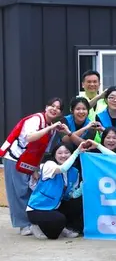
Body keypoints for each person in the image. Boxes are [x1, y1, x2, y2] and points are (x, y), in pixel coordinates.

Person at [1, 98, 64, 236]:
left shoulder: (52, 129)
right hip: (14, 158)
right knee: (18, 192)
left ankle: (31, 222)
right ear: (46, 107)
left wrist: (35, 169)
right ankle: (23, 224)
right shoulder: (36, 120)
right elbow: (30, 137)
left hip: (29, 162)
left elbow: (42, 151)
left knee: (29, 191)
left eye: (58, 108)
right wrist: (49, 128)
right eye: (52, 106)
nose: (54, 109)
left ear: (60, 113)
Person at [26, 142, 85, 240]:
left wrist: (81, 189)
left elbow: (70, 195)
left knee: (77, 203)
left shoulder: (74, 172)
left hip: (55, 207)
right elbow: (62, 169)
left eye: (67, 152)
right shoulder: (49, 165)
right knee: (56, 226)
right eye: (60, 153)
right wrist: (77, 152)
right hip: (38, 208)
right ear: (54, 155)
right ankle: (36, 225)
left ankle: (63, 227)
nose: (63, 155)